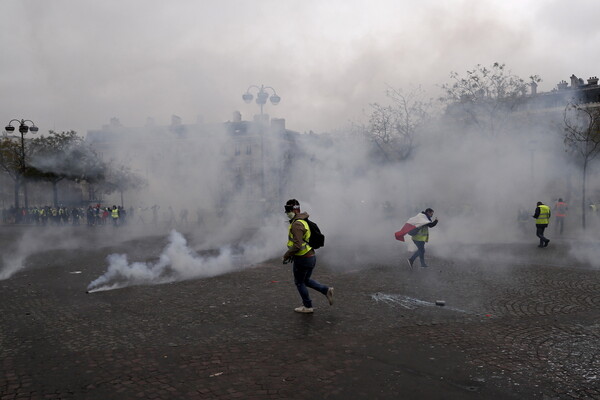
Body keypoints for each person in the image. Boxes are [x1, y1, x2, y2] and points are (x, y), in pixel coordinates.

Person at [282, 199, 333, 314]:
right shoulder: (303, 220)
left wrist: (286, 255)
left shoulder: (297, 224)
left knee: (299, 282)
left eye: (288, 210)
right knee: (305, 280)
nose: (287, 213)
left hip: (303, 259)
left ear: (296, 209)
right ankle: (326, 290)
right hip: (310, 257)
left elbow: (297, 245)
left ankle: (307, 306)